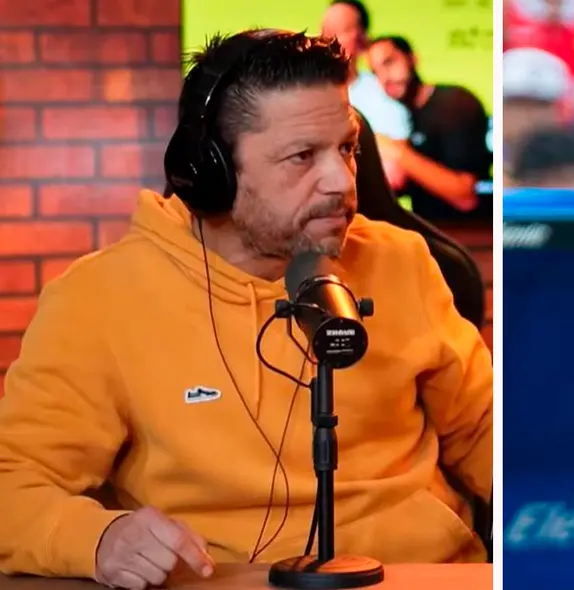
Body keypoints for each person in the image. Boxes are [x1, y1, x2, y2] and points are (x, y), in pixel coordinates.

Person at [0, 30, 493, 589]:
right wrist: (97, 539)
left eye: (348, 148)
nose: (341, 180)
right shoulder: (98, 298)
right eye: (302, 156)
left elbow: (486, 433)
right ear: (213, 173)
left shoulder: (402, 260)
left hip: (418, 575)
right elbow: (14, 486)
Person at [366, 35, 492, 223]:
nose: (384, 78)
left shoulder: (454, 103)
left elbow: (465, 196)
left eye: (389, 63)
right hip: (430, 237)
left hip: (472, 237)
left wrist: (397, 152)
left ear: (412, 59)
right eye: (375, 72)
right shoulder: (402, 118)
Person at [320, 0, 411, 141]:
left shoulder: (382, 94)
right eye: (325, 31)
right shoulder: (306, 92)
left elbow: (394, 156)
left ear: (362, 39)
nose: (328, 40)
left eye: (341, 31)